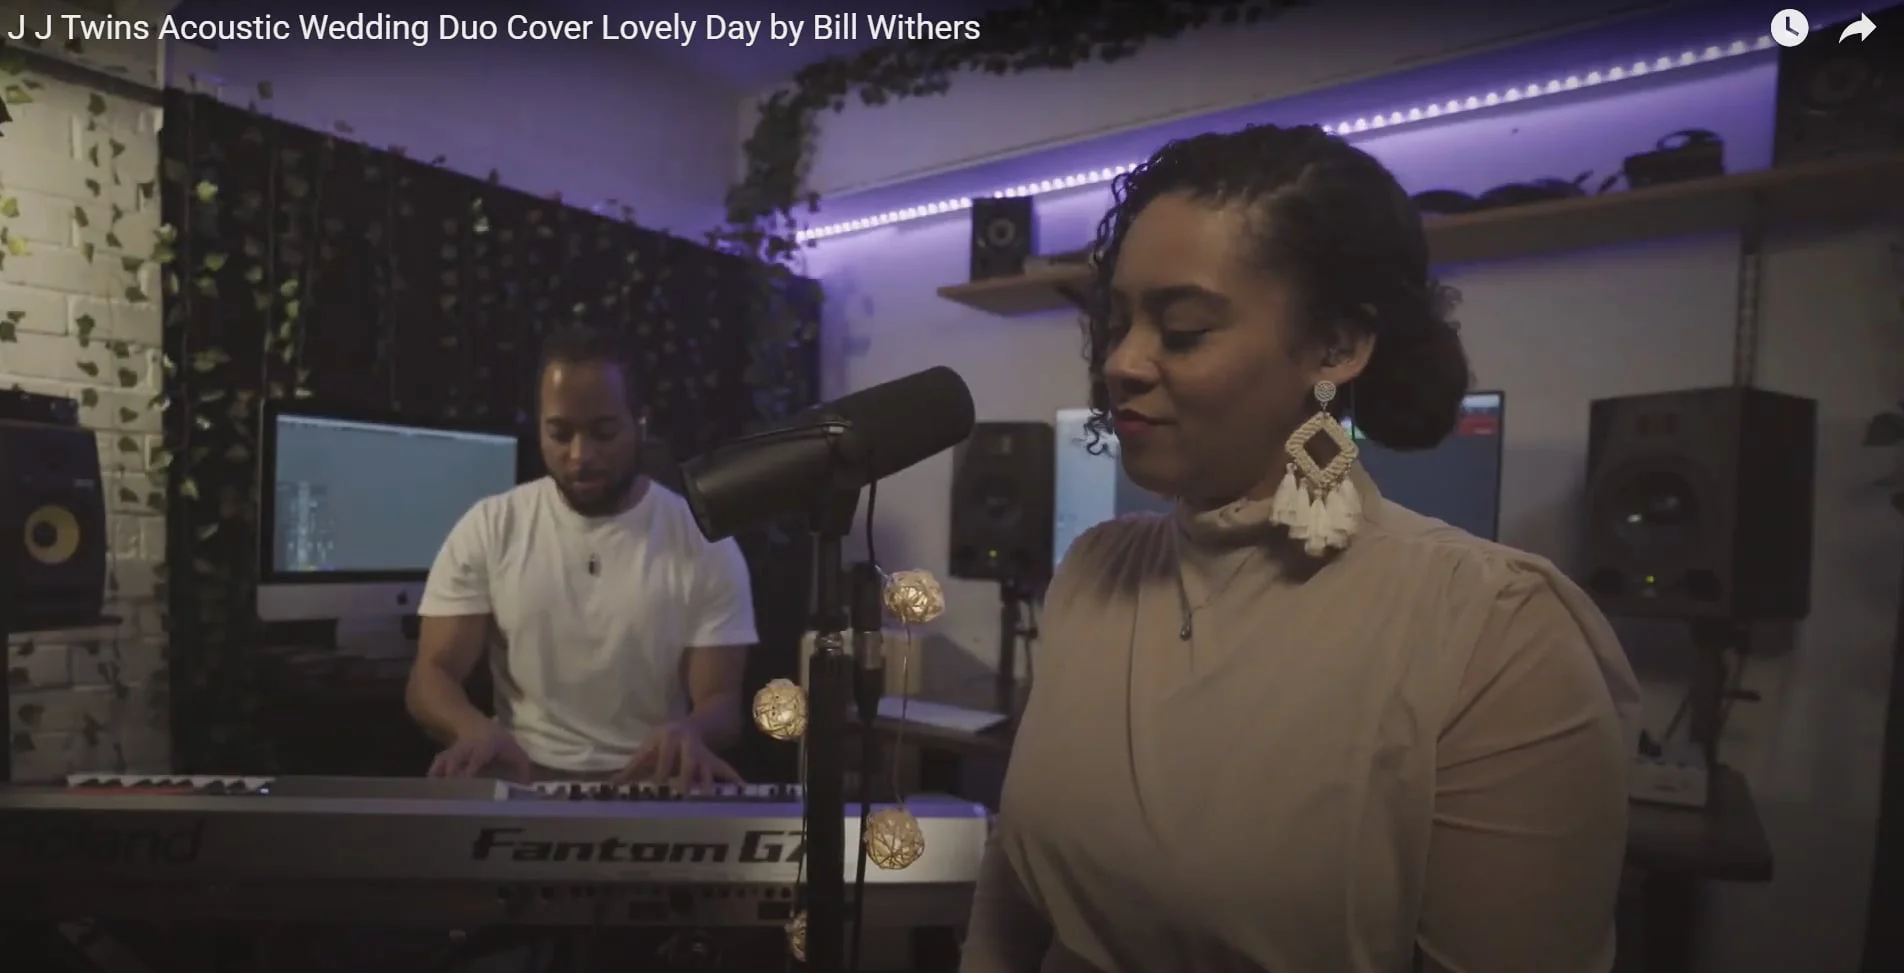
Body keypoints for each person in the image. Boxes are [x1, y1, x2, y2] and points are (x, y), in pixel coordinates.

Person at [961, 125, 1642, 973]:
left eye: (1182, 328)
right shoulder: (1092, 572)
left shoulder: (1497, 632)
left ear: (1335, 348)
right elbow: (1011, 898)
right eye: (1118, 320)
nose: (1122, 362)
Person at [405, 325, 759, 787]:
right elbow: (431, 675)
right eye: (560, 433)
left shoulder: (702, 541)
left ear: (640, 425)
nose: (580, 455)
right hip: (521, 778)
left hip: (648, 783)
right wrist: (472, 729)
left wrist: (690, 731)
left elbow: (722, 705)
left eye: (603, 433)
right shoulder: (490, 526)